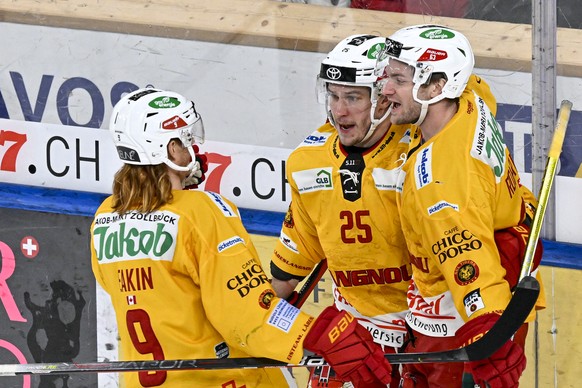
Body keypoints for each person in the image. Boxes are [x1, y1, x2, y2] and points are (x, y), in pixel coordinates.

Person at [90, 87, 392, 388]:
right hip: (220, 380)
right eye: (186, 140)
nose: (193, 147)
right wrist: (312, 335)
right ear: (170, 150)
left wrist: (180, 192)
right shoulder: (201, 212)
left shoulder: (105, 218)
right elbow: (245, 314)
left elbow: (155, 286)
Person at [375, 24, 545, 387]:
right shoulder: (472, 98)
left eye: (399, 80)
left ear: (437, 86)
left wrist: (489, 340)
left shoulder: (440, 184)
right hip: (492, 286)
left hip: (456, 328)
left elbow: (472, 269)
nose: (386, 89)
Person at [269, 35, 412, 388]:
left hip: (423, 331)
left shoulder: (419, 152)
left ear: (382, 97)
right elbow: (289, 269)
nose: (339, 110)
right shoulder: (307, 162)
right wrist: (243, 323)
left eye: (353, 97)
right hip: (352, 334)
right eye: (333, 95)